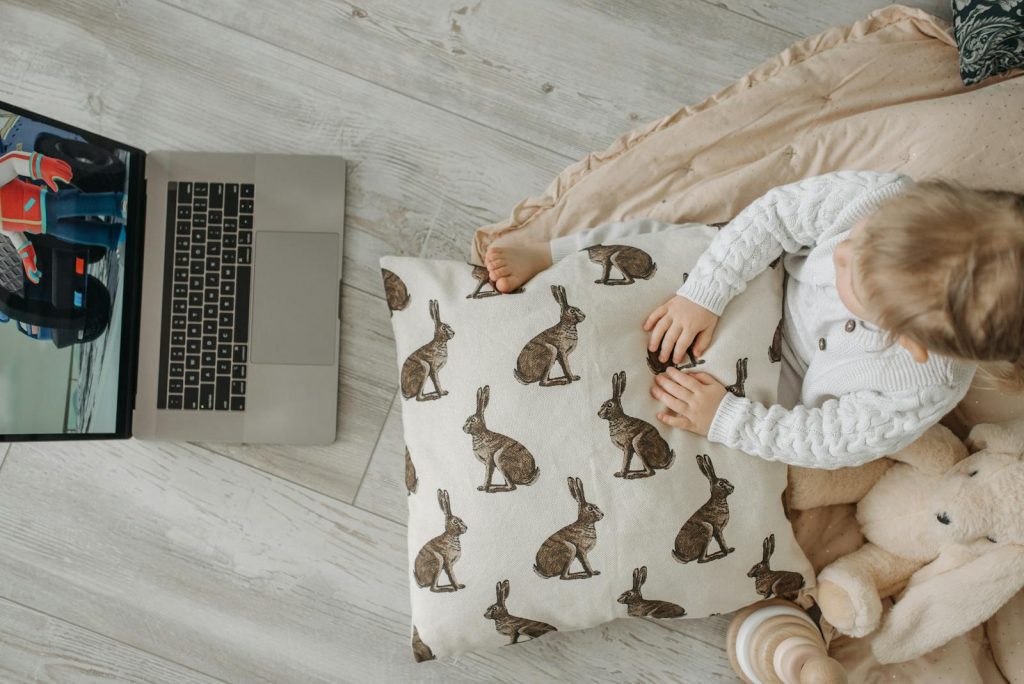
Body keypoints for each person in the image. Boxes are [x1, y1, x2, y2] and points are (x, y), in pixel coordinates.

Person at [483, 170, 1024, 468]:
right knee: (682, 239)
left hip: (786, 384)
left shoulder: (917, 388)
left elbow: (826, 439)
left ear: (908, 341)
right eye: (862, 238)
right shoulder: (882, 201)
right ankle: (559, 254)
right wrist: (705, 293)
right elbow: (777, 215)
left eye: (853, 275)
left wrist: (727, 419)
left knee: (683, 426)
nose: (841, 251)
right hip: (767, 278)